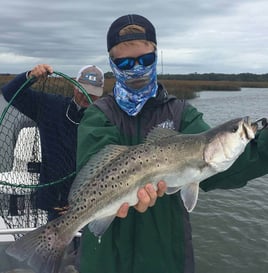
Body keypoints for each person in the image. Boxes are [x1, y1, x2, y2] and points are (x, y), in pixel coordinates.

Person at [76, 14, 268, 273]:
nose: (137, 69)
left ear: (156, 55)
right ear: (112, 62)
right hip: (105, 259)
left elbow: (230, 164)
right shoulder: (99, 114)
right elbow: (94, 167)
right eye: (125, 62)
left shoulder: (181, 114)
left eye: (146, 60)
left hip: (166, 258)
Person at [1, 64, 104, 221]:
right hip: (54, 203)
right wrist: (29, 76)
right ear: (74, 85)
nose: (85, 96)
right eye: (82, 89)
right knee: (54, 244)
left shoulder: (104, 120)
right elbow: (9, 92)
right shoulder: (49, 106)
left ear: (101, 93)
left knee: (87, 244)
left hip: (89, 205)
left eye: (92, 93)